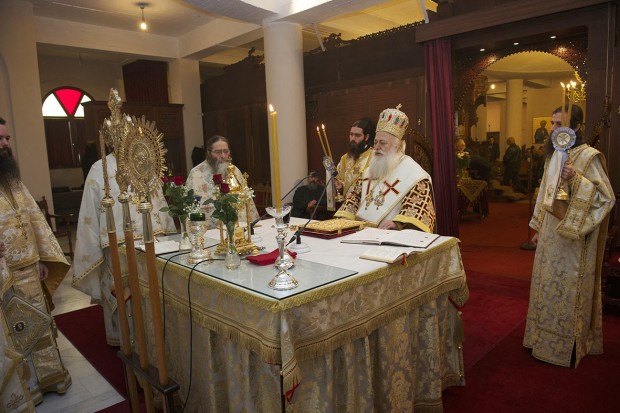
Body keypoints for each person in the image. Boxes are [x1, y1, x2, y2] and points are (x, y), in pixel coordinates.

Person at [523, 104, 615, 367]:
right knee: (546, 287)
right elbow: (545, 193)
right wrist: (539, 228)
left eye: (559, 124)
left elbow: (605, 198)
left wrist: (575, 178)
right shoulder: (552, 155)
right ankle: (541, 339)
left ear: (576, 127)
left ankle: (569, 345)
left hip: (574, 240)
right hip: (550, 237)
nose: (553, 129)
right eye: (552, 123)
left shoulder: (589, 157)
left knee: (567, 291)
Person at [70, 139, 176, 347]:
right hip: (116, 245)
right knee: (120, 291)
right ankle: (124, 339)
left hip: (151, 242)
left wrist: (168, 234)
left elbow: (158, 201)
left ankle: (153, 338)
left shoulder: (145, 163)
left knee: (151, 291)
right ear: (112, 140)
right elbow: (90, 211)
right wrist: (93, 244)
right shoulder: (99, 169)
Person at [0, 116, 72, 404]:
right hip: (5, 277)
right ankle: (27, 388)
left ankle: (51, 378)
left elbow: (34, 219)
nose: (5, 144)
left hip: (30, 269)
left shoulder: (13, 180)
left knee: (40, 325)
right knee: (18, 331)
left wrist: (42, 258)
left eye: (7, 138)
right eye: (0, 139)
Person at [334, 105, 436, 232]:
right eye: (375, 142)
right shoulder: (369, 170)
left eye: (382, 143)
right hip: (360, 233)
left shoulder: (415, 174)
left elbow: (418, 208)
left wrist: (398, 224)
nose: (376, 147)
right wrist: (344, 218)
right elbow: (353, 199)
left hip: (390, 236)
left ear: (396, 146)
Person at [186, 135, 259, 225]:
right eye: (218, 152)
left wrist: (252, 223)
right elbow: (190, 207)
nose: (223, 156)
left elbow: (246, 200)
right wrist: (198, 227)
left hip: (237, 226)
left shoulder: (235, 171)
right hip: (208, 228)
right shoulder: (196, 173)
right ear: (209, 153)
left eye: (226, 151)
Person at [335, 117, 374, 197]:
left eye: (357, 135)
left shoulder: (374, 157)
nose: (353, 138)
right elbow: (341, 179)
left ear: (366, 137)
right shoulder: (344, 158)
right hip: (346, 203)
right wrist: (340, 185)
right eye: (351, 134)